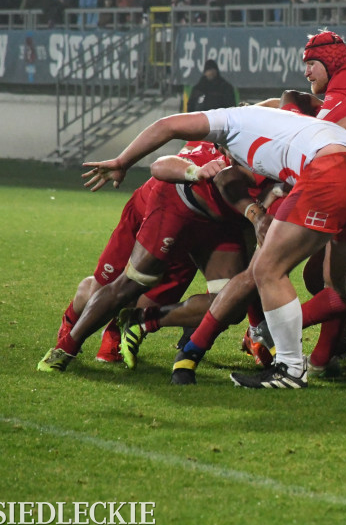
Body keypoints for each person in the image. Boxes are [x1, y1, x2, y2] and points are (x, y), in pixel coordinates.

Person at [71, 107, 346, 390]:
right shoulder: (278, 122)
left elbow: (168, 126)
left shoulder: (229, 123)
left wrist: (122, 161)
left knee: (265, 271)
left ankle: (289, 369)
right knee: (342, 275)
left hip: (328, 171)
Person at [38, 144, 249, 372]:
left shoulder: (267, 163)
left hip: (213, 224)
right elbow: (162, 157)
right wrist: (123, 161)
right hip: (165, 208)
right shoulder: (225, 142)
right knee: (115, 288)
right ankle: (69, 337)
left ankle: (138, 321)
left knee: (230, 302)